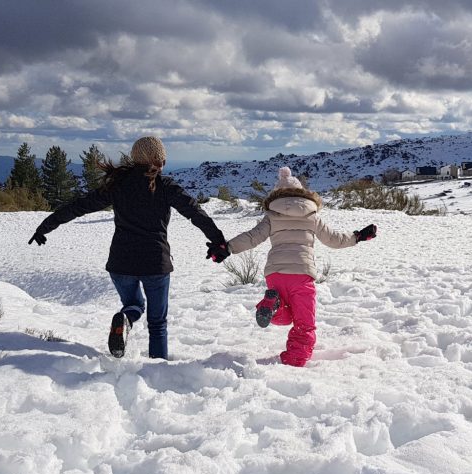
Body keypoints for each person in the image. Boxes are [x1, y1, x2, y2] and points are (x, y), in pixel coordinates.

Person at [29, 136, 229, 359]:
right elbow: (195, 213)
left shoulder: (118, 184)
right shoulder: (166, 187)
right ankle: (158, 370)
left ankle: (126, 319)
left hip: (120, 262)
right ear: (160, 160)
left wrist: (45, 227)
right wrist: (218, 242)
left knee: (133, 305)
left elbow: (79, 206)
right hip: (155, 263)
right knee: (157, 323)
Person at [214, 167, 377, 367]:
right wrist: (357, 237)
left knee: (284, 315)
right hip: (302, 274)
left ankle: (272, 305)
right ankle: (294, 362)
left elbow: (252, 237)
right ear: (302, 193)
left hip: (275, 273)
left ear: (277, 194)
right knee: (304, 324)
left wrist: (227, 247)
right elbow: (334, 239)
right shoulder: (312, 215)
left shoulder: (272, 215)